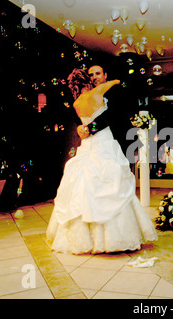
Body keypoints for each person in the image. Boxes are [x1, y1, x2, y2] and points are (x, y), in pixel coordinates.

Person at [46, 68, 158, 254]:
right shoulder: (99, 92)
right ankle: (113, 238)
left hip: (95, 143)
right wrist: (83, 128)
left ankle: (88, 238)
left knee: (92, 185)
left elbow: (112, 115)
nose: (94, 78)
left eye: (97, 74)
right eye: (90, 75)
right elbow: (91, 119)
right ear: (86, 81)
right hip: (103, 143)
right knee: (107, 184)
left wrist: (87, 128)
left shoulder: (77, 102)